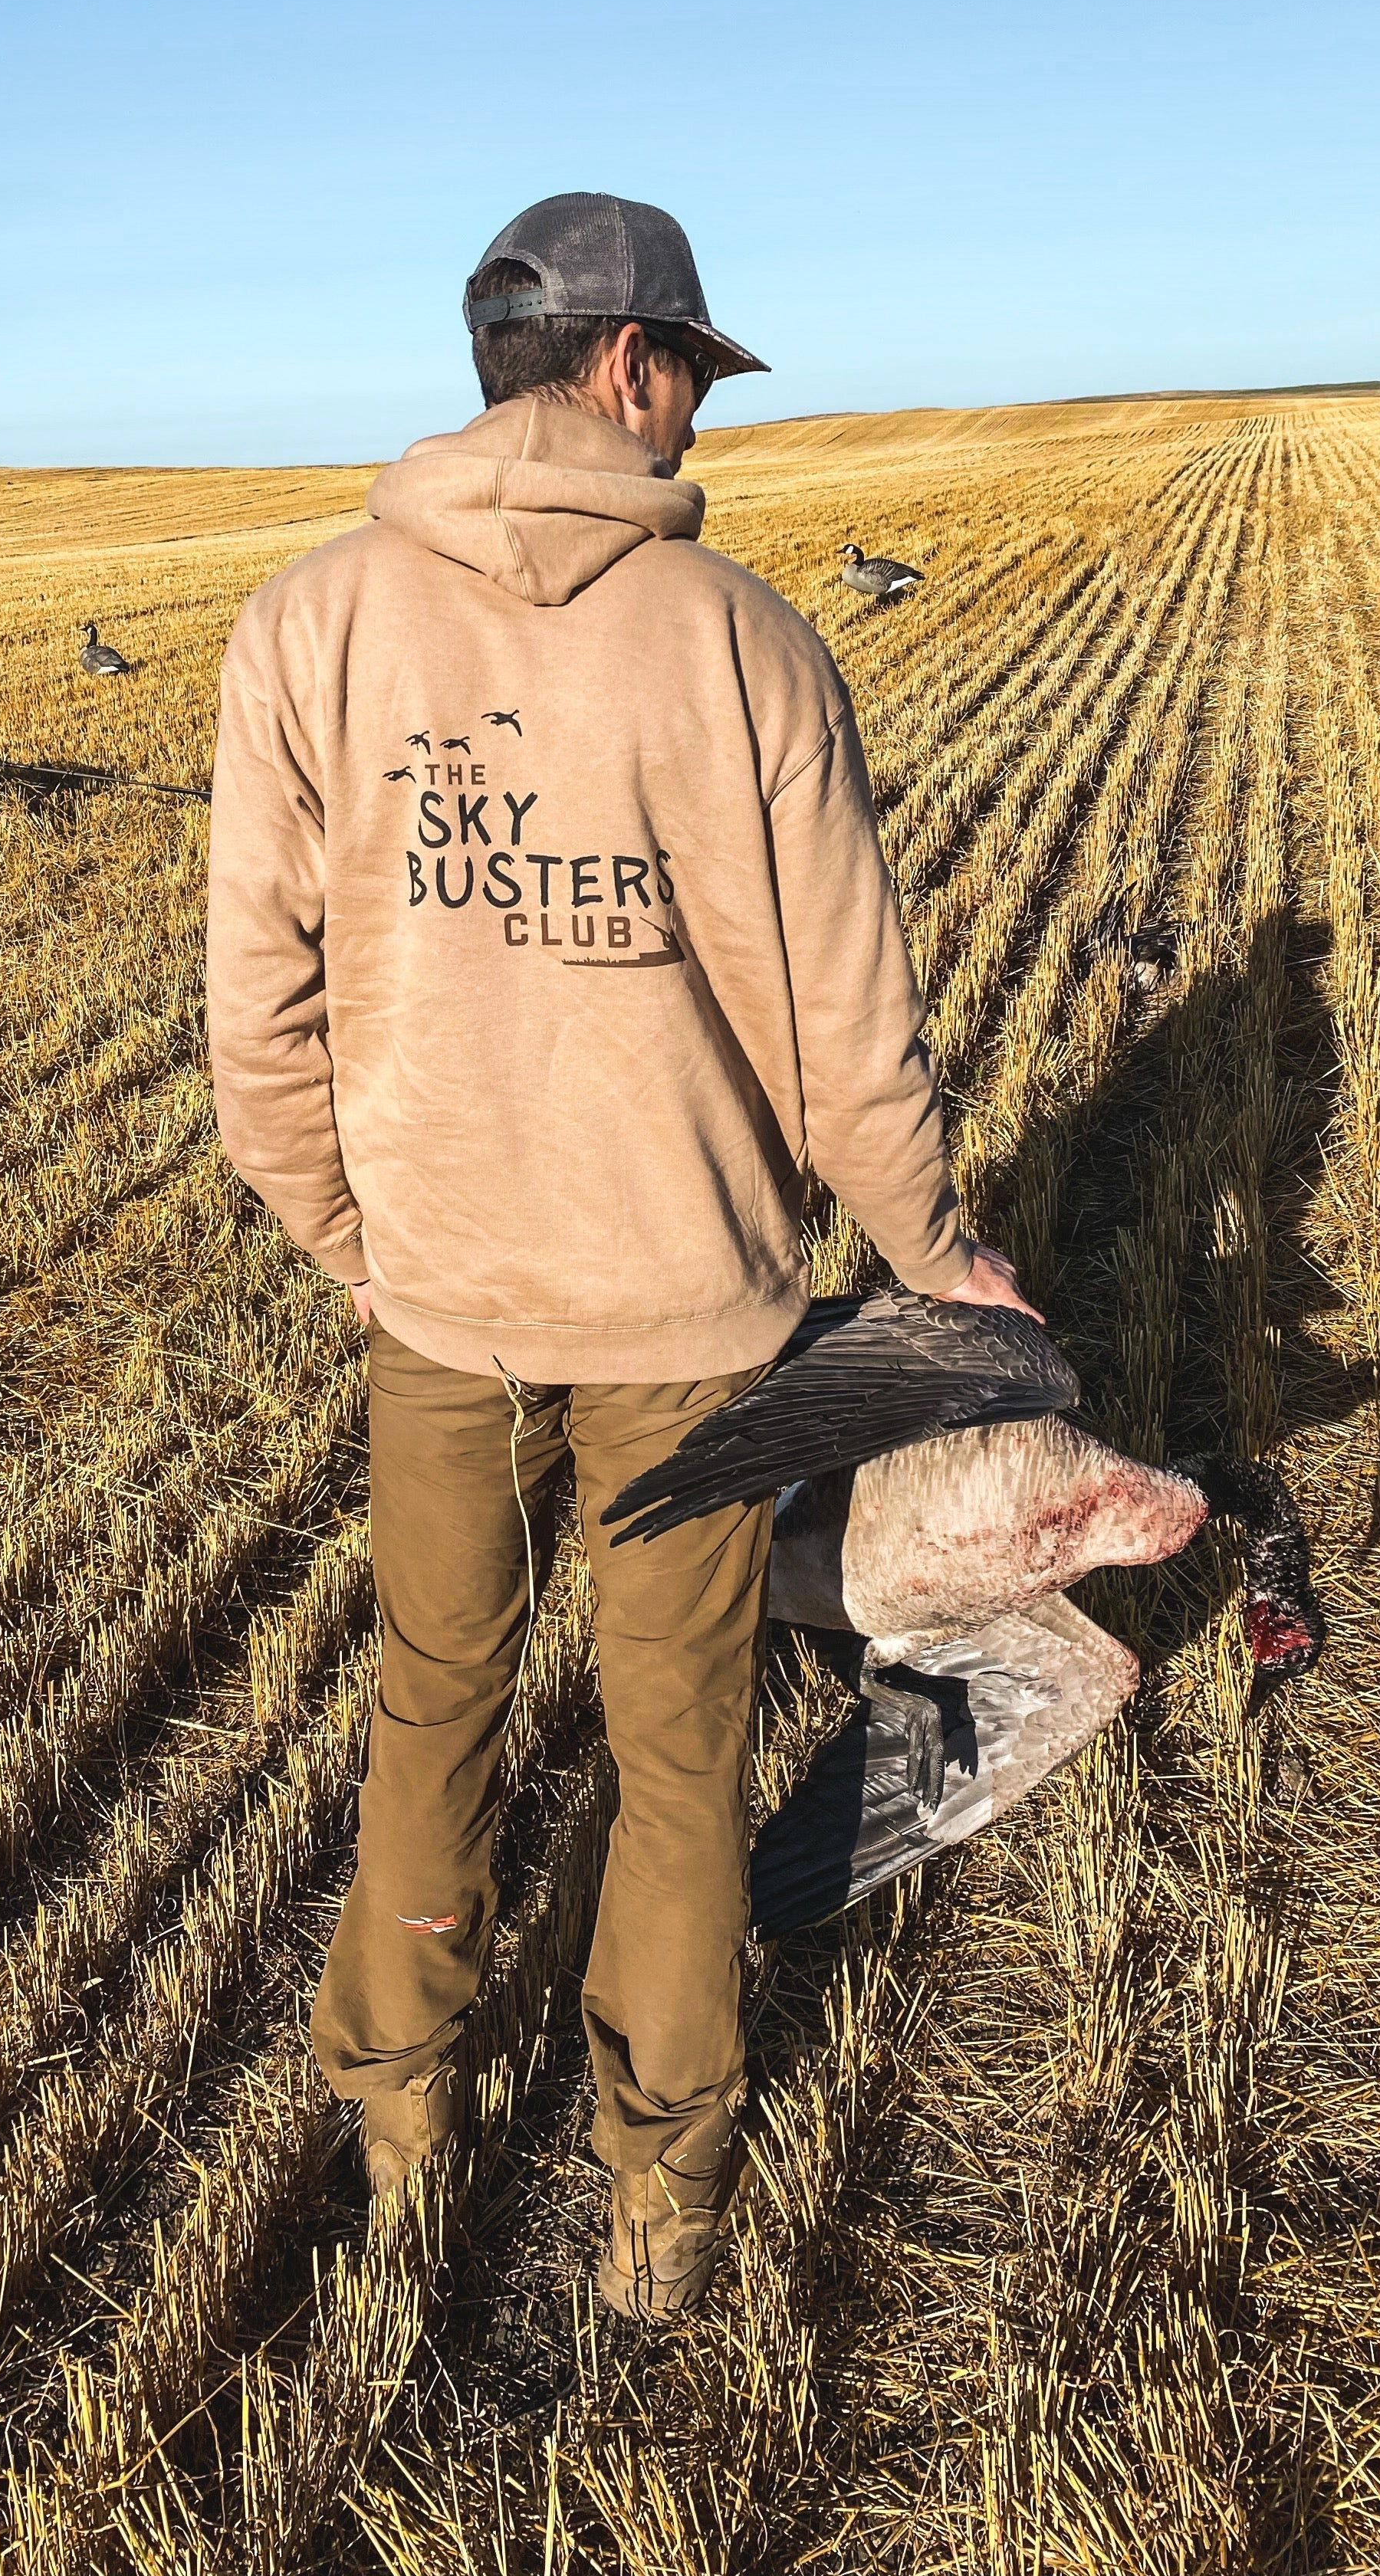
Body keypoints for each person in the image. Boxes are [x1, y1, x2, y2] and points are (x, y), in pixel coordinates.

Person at [205, 192, 1040, 2320]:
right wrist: (939, 1256)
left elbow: (255, 1021)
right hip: (693, 1317)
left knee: (431, 1706)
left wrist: (360, 1243)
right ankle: (664, 2198)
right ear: (617, 365)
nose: (692, 416)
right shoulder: (745, 641)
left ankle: (401, 2121)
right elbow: (844, 1030)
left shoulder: (308, 628)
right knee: (676, 1749)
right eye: (684, 369)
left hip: (443, 1312)